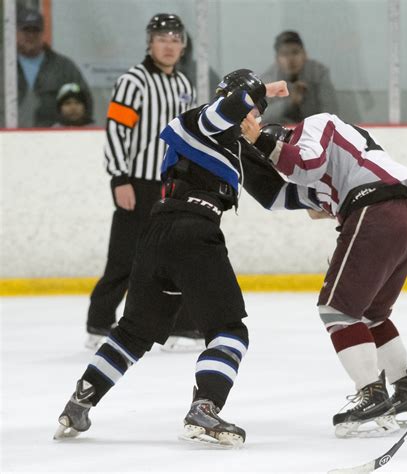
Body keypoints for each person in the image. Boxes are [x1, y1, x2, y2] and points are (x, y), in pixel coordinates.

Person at [54, 70, 289, 446]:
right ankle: (205, 408)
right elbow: (231, 106)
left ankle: (81, 401)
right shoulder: (198, 120)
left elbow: (281, 196)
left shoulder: (233, 146)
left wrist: (330, 199)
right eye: (254, 110)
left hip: (157, 234)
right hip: (194, 232)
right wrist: (264, 90)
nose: (255, 119)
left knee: (133, 333)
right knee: (230, 331)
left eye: (259, 113)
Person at [239, 113, 407, 438]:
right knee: (371, 314)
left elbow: (305, 165)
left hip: (376, 209)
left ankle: (371, 394)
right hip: (404, 215)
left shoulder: (312, 126)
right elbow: (280, 197)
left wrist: (258, 141)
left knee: (336, 309)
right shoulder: (329, 164)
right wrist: (241, 154)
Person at [86, 14, 203, 352]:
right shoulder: (133, 82)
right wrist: (119, 178)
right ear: (150, 43)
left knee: (174, 255)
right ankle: (99, 321)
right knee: (125, 257)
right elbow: (116, 132)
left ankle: (178, 325)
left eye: (175, 38)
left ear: (183, 46)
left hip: (170, 185)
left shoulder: (184, 85)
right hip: (136, 182)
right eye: (162, 38)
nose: (169, 44)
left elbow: (185, 137)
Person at [16, 8, 93, 127]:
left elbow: (86, 104)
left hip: (55, 140)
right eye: (26, 30)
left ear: (43, 33)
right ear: (15, 32)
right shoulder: (3, 66)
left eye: (35, 30)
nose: (31, 35)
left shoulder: (64, 67)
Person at [260, 31, 338, 124]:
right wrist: (290, 102)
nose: (291, 59)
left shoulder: (318, 74)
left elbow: (331, 114)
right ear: (277, 59)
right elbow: (261, 118)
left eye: (295, 52)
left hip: (316, 132)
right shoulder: (269, 80)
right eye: (285, 54)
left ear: (305, 55)